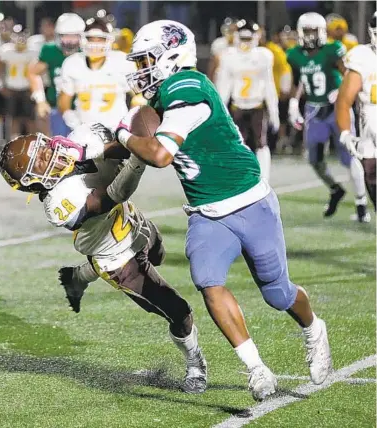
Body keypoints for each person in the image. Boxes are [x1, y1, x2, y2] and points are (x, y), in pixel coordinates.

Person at [111, 19, 332, 401]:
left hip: (250, 202)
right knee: (209, 282)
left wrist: (121, 135)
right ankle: (256, 368)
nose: (140, 69)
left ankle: (314, 330)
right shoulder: (160, 99)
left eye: (147, 59)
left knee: (278, 294)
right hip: (207, 213)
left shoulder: (187, 85)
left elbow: (161, 154)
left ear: (171, 56)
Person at [0, 122, 207, 394]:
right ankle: (195, 363)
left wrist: (132, 142)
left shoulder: (79, 139)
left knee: (159, 255)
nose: (50, 153)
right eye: (40, 160)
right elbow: (109, 198)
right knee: (178, 312)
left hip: (134, 222)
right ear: (32, 183)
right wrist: (139, 159)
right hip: (118, 258)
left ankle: (79, 276)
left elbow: (123, 147)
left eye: (43, 148)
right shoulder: (57, 203)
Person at [287, 12, 369, 222]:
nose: (311, 35)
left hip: (335, 109)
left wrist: (341, 91)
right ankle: (335, 189)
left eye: (314, 30)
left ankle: (361, 204)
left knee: (348, 155)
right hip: (314, 110)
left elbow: (348, 73)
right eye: (307, 31)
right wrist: (294, 103)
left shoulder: (333, 50)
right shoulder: (294, 54)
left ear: (323, 31)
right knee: (314, 159)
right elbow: (300, 82)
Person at [215, 20, 279, 181]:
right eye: (242, 38)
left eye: (248, 39)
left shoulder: (263, 55)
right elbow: (224, 87)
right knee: (238, 143)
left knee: (261, 143)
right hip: (238, 106)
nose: (245, 43)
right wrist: (220, 111)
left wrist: (274, 111)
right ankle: (241, 176)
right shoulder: (229, 56)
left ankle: (264, 179)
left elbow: (269, 85)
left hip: (257, 105)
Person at [58, 17, 136, 131]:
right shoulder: (73, 63)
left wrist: (131, 119)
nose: (95, 44)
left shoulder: (122, 62)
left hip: (116, 131)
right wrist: (69, 115)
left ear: (109, 40)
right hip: (85, 130)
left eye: (100, 40)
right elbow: (64, 99)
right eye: (91, 39)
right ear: (83, 40)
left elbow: (139, 96)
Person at [336, 11, 377, 210]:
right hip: (370, 126)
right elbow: (344, 100)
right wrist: (345, 133)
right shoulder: (363, 56)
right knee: (371, 175)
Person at [28, 13, 85, 137]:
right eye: (66, 37)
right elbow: (33, 72)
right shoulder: (50, 50)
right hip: (56, 107)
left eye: (74, 37)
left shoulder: (88, 53)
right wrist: (40, 100)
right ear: (58, 36)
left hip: (83, 109)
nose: (70, 42)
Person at [0, 30, 38, 140]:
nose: (20, 40)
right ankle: (13, 143)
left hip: (28, 89)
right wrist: (0, 85)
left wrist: (35, 89)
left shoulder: (33, 52)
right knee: (13, 118)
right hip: (12, 89)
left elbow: (38, 72)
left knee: (30, 119)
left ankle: (32, 143)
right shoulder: (6, 50)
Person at [207, 17, 238, 83]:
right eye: (230, 30)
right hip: (221, 76)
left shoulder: (240, 43)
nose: (232, 33)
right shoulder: (218, 43)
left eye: (233, 30)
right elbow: (213, 64)